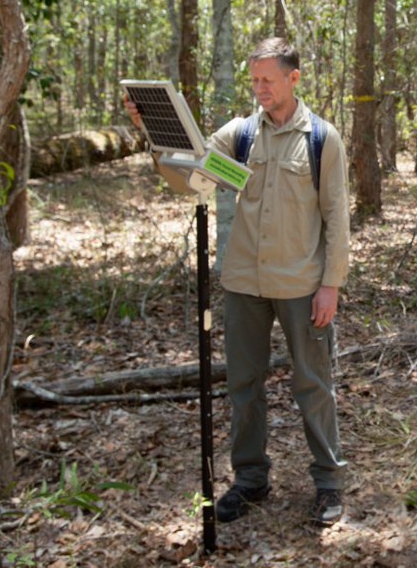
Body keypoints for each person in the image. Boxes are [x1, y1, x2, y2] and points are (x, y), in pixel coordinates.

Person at [126, 37, 350, 526]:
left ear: (294, 78)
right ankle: (250, 480)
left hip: (301, 285)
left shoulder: (321, 139)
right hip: (245, 283)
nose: (259, 89)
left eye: (267, 80)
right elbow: (194, 176)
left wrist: (330, 285)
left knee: (313, 386)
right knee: (244, 386)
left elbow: (337, 218)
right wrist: (155, 132)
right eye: (254, 80)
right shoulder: (241, 134)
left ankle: (329, 485)